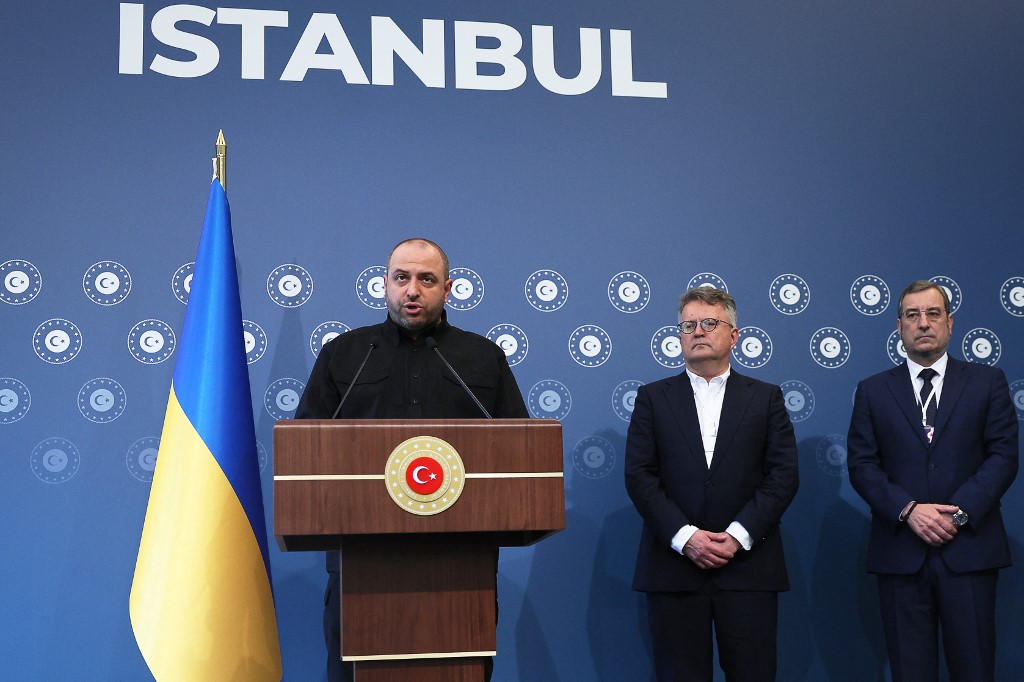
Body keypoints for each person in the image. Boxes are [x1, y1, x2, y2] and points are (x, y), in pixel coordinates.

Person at [295, 237, 528, 681]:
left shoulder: (483, 358)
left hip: (461, 562)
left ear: (449, 288)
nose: (412, 290)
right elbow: (306, 451)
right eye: (401, 278)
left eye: (426, 279)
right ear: (384, 284)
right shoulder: (344, 355)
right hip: (359, 560)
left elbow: (516, 452)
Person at [847, 279, 1018, 682]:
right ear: (899, 325)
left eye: (933, 313)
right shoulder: (872, 391)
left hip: (970, 551)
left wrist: (957, 516)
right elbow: (862, 465)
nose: (923, 323)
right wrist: (909, 511)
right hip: (901, 555)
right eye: (912, 315)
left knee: (975, 669)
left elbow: (1003, 456)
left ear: (949, 323)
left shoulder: (987, 382)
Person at [625, 287, 799, 681]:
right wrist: (686, 537)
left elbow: (783, 475)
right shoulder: (652, 398)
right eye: (689, 325)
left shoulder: (766, 398)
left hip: (748, 569)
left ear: (734, 335)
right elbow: (640, 475)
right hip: (674, 569)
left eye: (709, 323)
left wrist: (737, 535)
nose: (698, 331)